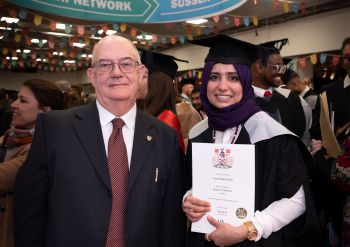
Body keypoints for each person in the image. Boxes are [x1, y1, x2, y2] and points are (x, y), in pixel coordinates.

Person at [13, 35, 186, 247]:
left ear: (142, 74)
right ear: (92, 76)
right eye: (105, 65)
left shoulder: (164, 136)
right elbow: (29, 213)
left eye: (126, 64)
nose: (116, 72)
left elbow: (171, 223)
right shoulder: (54, 129)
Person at [183, 34, 320, 247]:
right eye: (214, 76)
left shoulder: (272, 134)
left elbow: (297, 200)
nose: (222, 86)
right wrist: (189, 199)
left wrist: (247, 229)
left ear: (246, 82)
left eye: (233, 77)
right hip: (205, 237)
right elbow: (191, 184)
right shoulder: (198, 134)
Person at [0, 79, 64, 247]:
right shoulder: (8, 138)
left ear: (45, 112)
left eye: (23, 100)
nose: (14, 105)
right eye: (16, 98)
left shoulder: (40, 151)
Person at [251, 39, 312, 147]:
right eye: (277, 67)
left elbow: (304, 135)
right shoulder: (240, 100)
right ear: (260, 67)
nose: (281, 72)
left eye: (283, 68)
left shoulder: (292, 99)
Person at [137, 49, 186, 152]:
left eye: (144, 76)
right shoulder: (142, 113)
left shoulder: (167, 120)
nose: (137, 81)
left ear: (157, 84)